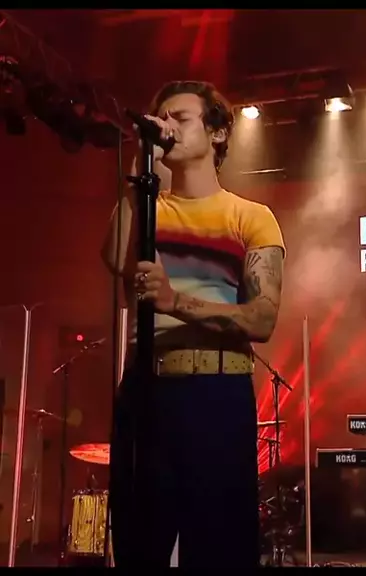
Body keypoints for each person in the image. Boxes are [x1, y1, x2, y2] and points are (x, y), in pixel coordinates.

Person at [101, 80, 286, 568]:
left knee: (219, 549)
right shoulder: (146, 208)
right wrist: (141, 164)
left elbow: (263, 318)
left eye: (180, 118)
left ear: (218, 133)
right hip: (146, 389)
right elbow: (114, 258)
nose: (167, 126)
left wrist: (175, 301)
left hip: (216, 393)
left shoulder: (250, 216)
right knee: (139, 544)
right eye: (161, 118)